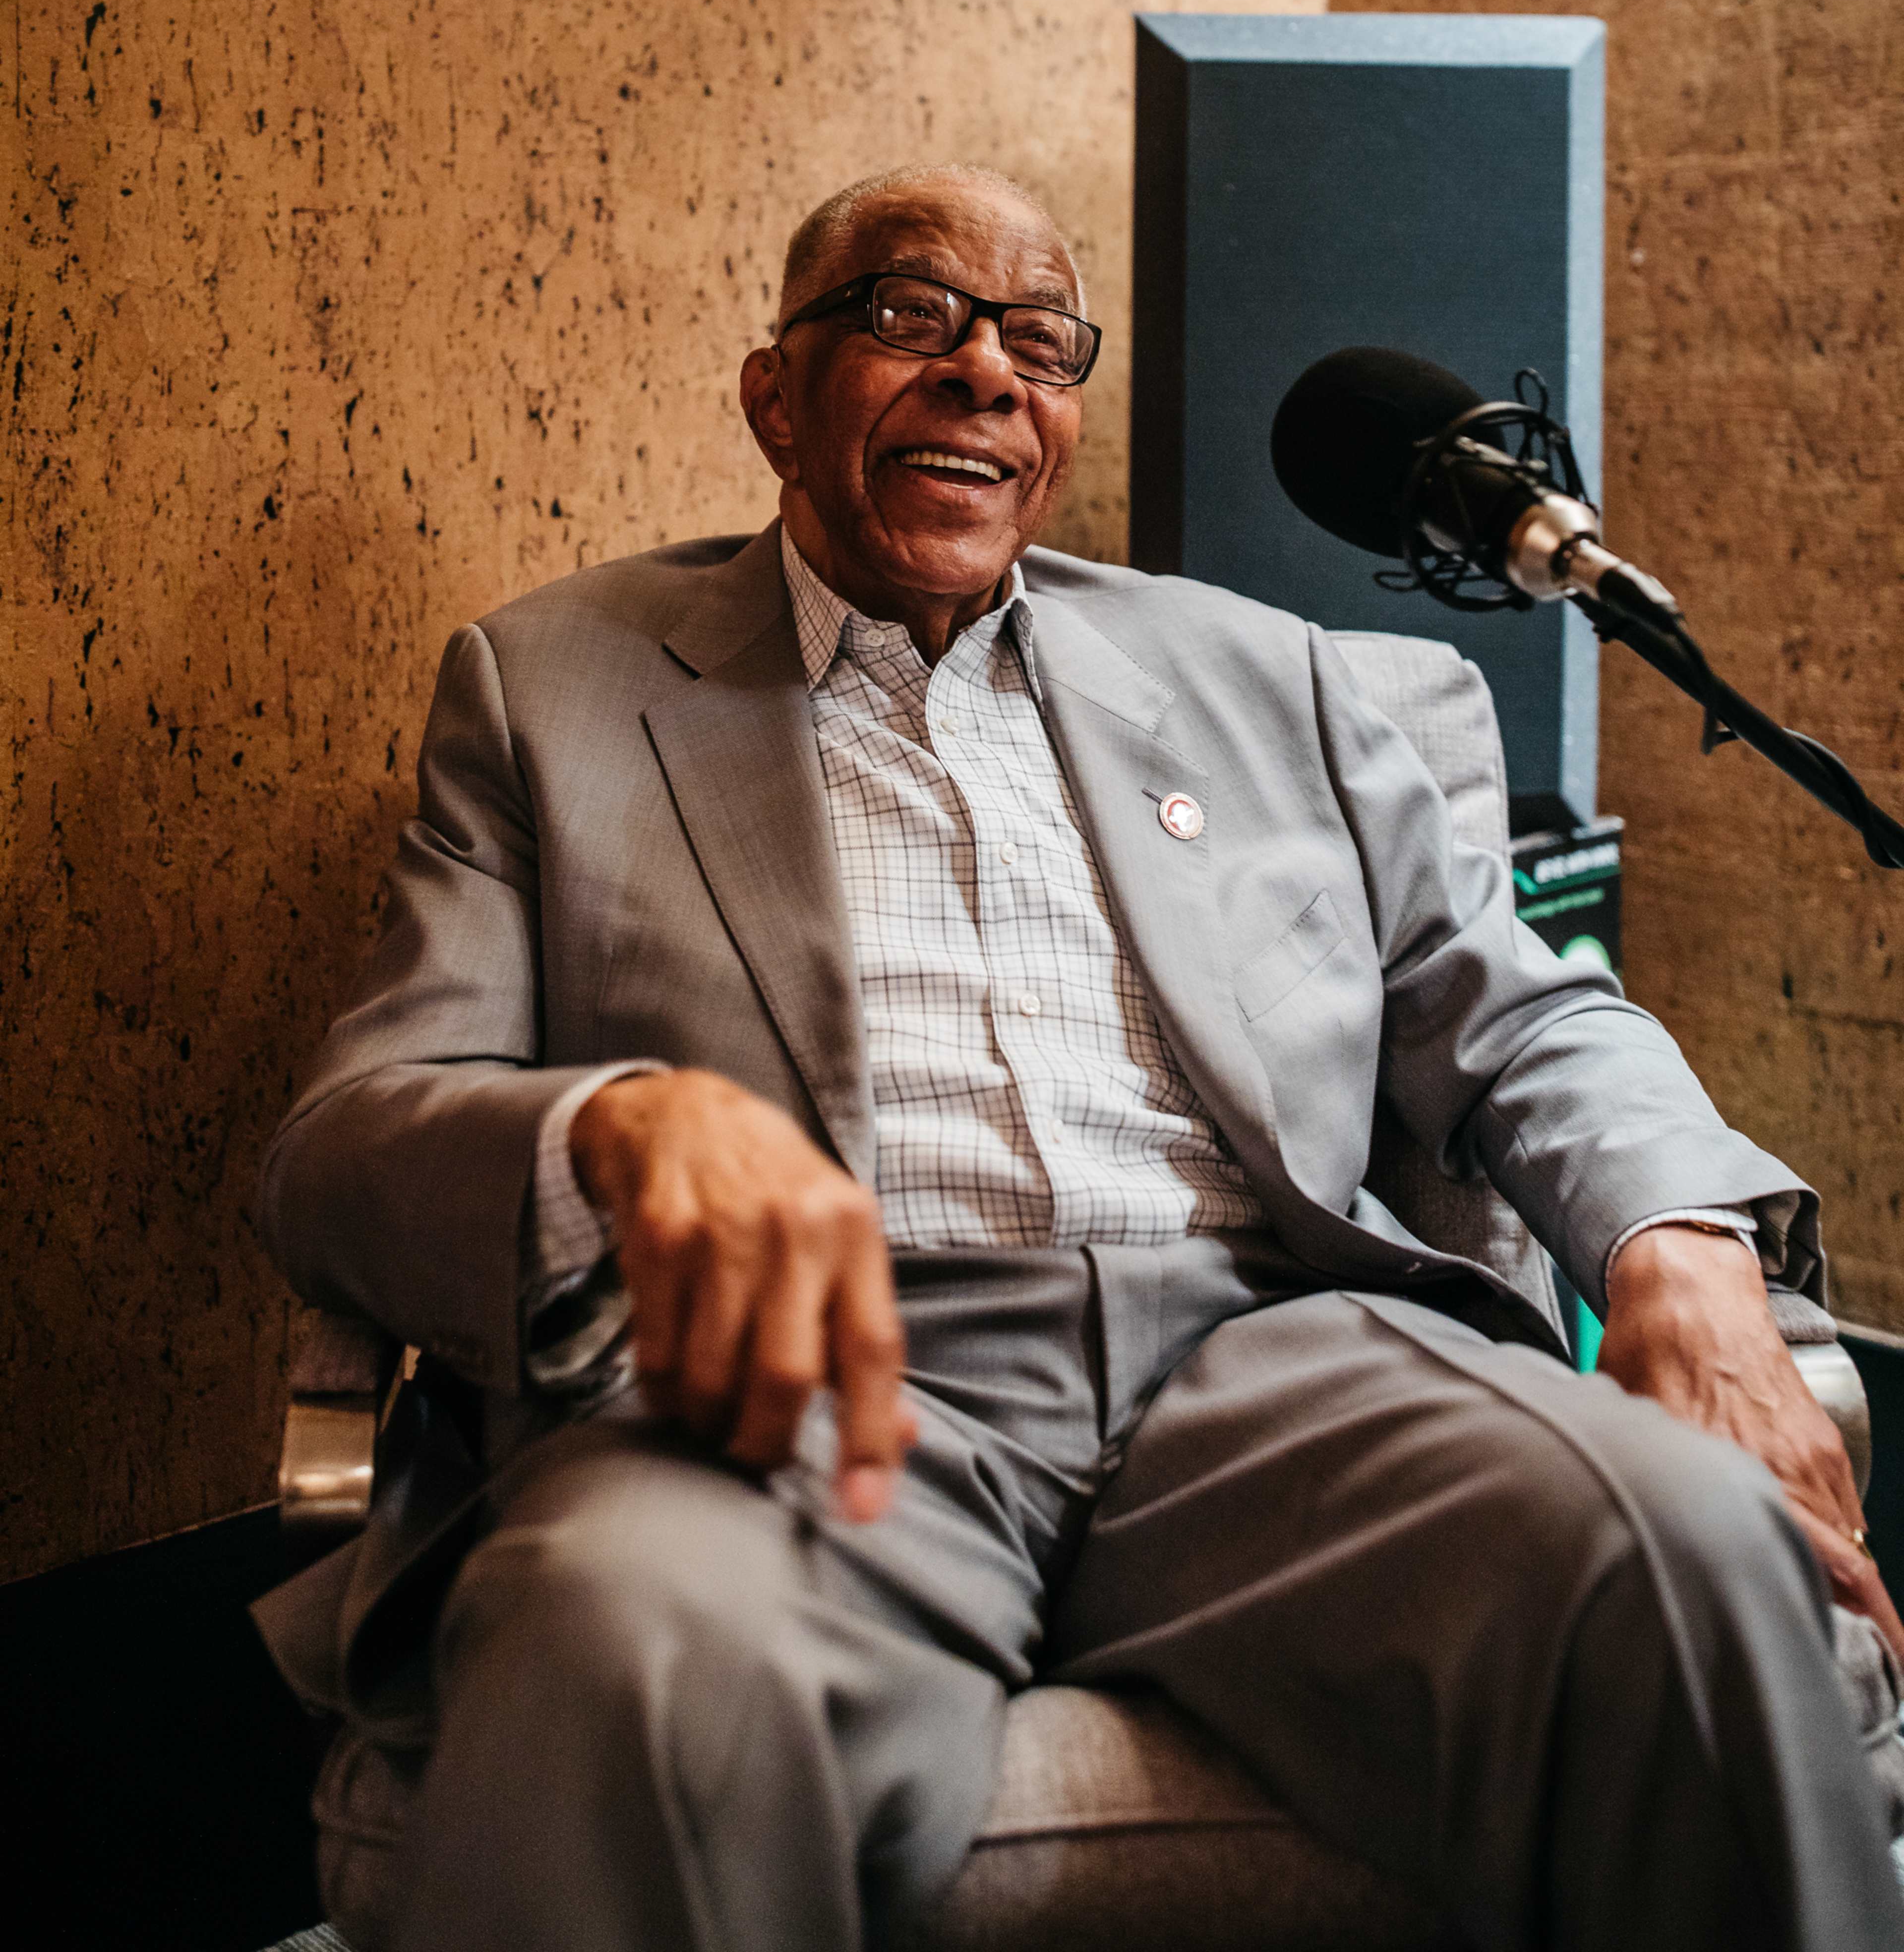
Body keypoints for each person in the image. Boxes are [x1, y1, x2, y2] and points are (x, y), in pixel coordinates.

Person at [259, 162, 1904, 1952]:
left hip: (1267, 1363)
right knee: (633, 1655)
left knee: (1692, 1562)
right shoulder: (553, 686)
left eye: (1038, 341)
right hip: (817, 1394)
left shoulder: (1266, 677)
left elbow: (1520, 1013)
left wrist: (1684, 1247)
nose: (983, 371)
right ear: (773, 396)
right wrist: (612, 1130)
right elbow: (347, 1139)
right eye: (908, 315)